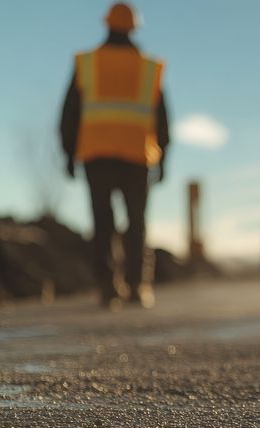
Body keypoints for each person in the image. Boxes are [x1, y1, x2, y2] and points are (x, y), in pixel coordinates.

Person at [59, 2, 169, 309]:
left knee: (103, 223)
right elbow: (162, 118)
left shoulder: (88, 62)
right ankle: (137, 287)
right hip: (137, 155)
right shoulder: (148, 67)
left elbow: (69, 112)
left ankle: (108, 288)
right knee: (137, 224)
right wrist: (165, 157)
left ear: (106, 24)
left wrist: (68, 154)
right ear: (134, 28)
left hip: (97, 155)